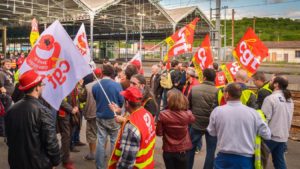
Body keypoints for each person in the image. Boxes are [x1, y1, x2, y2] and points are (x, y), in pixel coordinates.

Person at [5, 69, 61, 169]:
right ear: (36, 88)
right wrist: (55, 161)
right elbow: (51, 142)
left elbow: (9, 139)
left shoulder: (11, 109)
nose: (43, 87)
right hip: (38, 164)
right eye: (42, 84)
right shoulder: (43, 111)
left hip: (15, 162)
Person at [207, 83, 271, 169]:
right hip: (245, 159)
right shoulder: (253, 113)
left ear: (227, 95)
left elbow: (212, 132)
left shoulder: (217, 111)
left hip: (223, 157)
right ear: (240, 95)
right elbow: (267, 135)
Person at [108, 86, 156, 169]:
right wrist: (119, 113)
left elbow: (126, 162)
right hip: (148, 165)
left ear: (126, 103)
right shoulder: (147, 113)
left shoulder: (131, 128)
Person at [92, 64, 124, 169]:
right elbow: (121, 102)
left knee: (101, 141)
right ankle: (113, 166)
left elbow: (96, 98)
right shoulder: (117, 85)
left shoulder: (96, 86)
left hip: (101, 116)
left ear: (102, 73)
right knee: (114, 141)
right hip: (113, 117)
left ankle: (99, 166)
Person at [156, 89, 195, 169]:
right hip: (183, 150)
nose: (166, 99)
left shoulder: (163, 114)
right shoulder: (188, 114)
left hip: (168, 150)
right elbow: (193, 120)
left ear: (170, 100)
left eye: (168, 98)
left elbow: (159, 133)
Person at [188, 68, 218, 169]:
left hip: (196, 123)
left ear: (204, 77)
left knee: (190, 148)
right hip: (212, 126)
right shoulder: (218, 91)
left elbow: (189, 106)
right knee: (211, 151)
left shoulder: (194, 89)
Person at [262, 76, 294, 169]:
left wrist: (262, 134)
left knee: (259, 161)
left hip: (270, 137)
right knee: (279, 161)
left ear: (276, 85)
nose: (269, 82)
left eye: (272, 81)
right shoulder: (289, 99)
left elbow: (264, 119)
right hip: (283, 136)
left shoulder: (270, 98)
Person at [80, 68, 102, 161]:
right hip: (102, 113)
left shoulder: (88, 86)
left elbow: (81, 98)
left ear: (93, 76)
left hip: (91, 113)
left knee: (91, 134)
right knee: (102, 134)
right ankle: (102, 153)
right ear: (101, 75)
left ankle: (92, 154)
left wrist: (80, 87)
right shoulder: (105, 86)